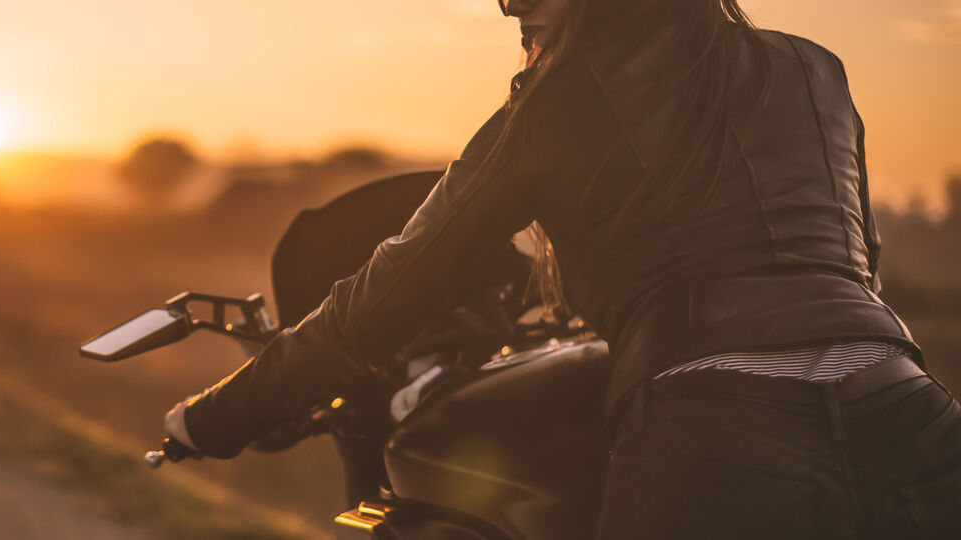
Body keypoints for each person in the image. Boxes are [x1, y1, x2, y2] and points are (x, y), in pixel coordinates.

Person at [162, 0, 961, 537]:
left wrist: (216, 417)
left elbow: (390, 290)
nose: (519, 28)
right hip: (916, 421)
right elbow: (855, 274)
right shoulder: (815, 69)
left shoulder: (561, 97)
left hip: (720, 454)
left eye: (527, 9)